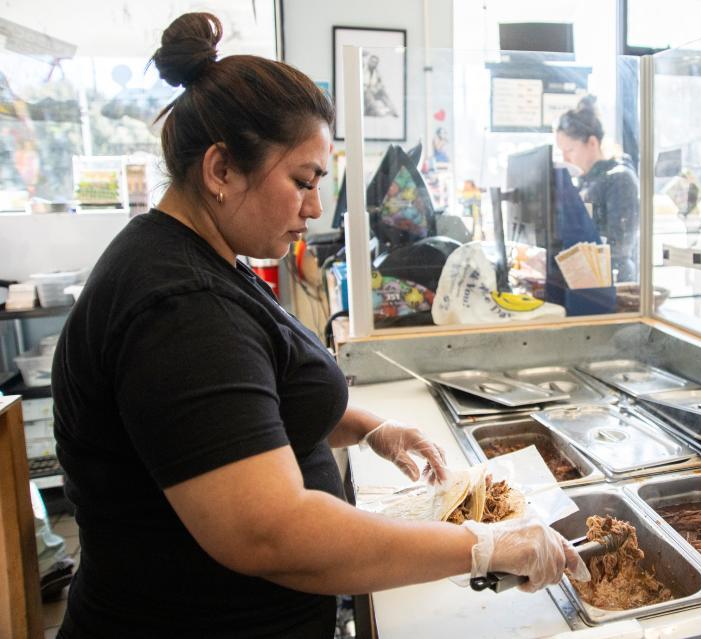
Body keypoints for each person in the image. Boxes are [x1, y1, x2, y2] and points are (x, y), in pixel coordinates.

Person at [51, 13, 587, 638]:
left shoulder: (200, 257)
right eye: (302, 181)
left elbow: (239, 412)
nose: (313, 207)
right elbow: (274, 533)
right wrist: (483, 546)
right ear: (221, 170)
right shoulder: (180, 307)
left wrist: (368, 427)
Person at [556, 95, 641, 281]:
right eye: (561, 152)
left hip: (614, 282)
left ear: (592, 143)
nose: (565, 159)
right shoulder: (585, 182)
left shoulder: (620, 179)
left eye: (569, 150)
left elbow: (619, 246)